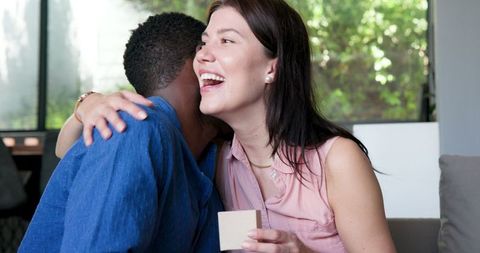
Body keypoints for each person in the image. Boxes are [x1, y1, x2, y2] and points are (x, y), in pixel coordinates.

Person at [57, 0, 397, 252]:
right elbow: (69, 152)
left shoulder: (337, 160)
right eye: (204, 43)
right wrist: (88, 106)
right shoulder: (216, 157)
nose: (202, 55)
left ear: (271, 69)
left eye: (226, 41)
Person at [19, 13, 224, 252]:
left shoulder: (211, 158)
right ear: (198, 64)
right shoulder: (133, 129)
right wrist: (85, 104)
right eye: (211, 50)